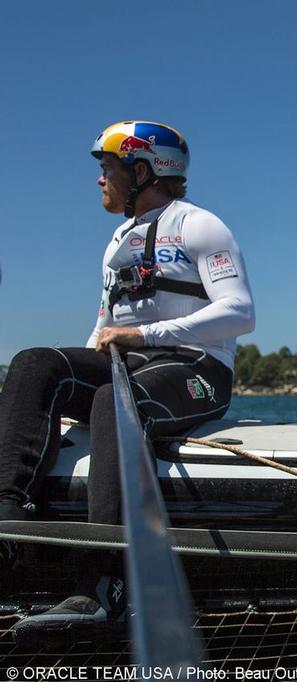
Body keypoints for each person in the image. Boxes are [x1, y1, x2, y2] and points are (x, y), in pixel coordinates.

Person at [0, 120, 255, 636]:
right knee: (34, 363)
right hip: (129, 361)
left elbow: (240, 311)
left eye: (107, 167)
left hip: (194, 368)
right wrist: (75, 371)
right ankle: (8, 524)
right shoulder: (118, 238)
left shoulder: (200, 225)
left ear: (143, 170)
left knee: (112, 401)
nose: (100, 178)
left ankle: (104, 586)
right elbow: (105, 327)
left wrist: (148, 334)